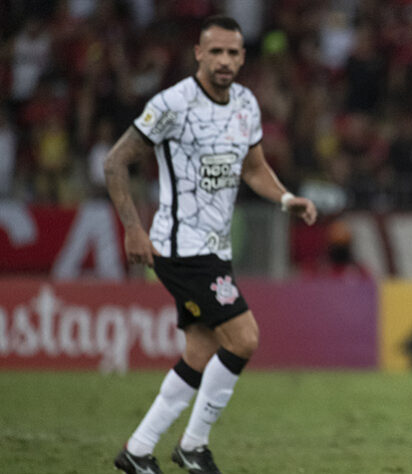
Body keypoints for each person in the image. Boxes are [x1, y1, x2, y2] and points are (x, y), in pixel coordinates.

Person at [105, 15, 317, 474]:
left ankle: (138, 452)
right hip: (181, 249)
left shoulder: (245, 103)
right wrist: (133, 227)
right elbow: (115, 162)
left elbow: (254, 168)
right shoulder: (172, 104)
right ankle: (193, 446)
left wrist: (285, 198)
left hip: (215, 249)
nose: (224, 60)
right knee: (244, 338)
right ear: (198, 53)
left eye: (233, 52)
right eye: (215, 51)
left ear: (243, 57)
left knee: (200, 352)